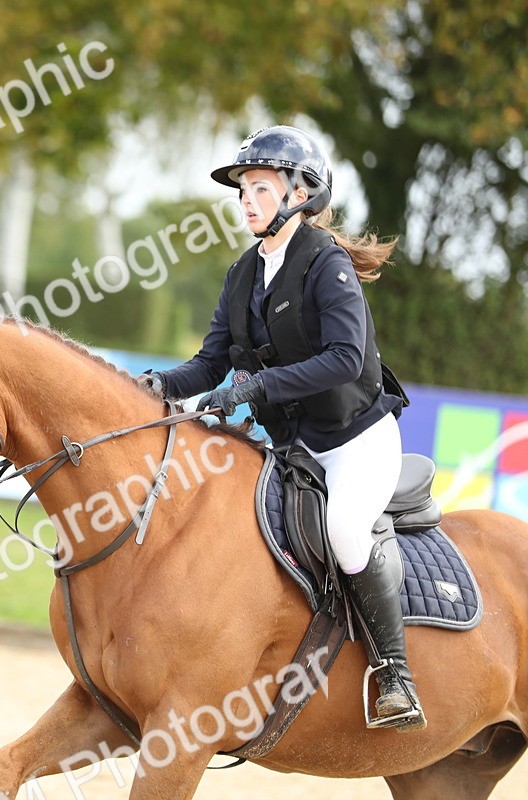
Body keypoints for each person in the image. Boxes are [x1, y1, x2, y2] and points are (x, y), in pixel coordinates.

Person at [136, 125, 424, 731]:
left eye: (260, 188)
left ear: (299, 194)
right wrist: (155, 385)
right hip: (294, 446)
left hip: (356, 438)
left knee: (345, 529)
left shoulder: (327, 264)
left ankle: (395, 673)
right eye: (243, 190)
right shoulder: (243, 273)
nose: (246, 200)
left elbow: (347, 358)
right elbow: (211, 363)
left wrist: (257, 388)